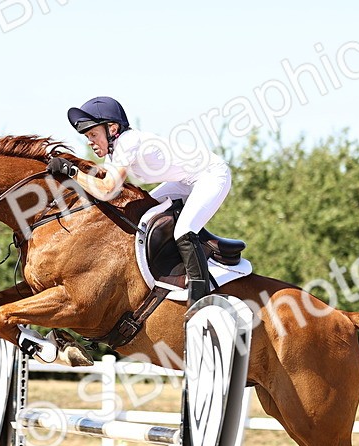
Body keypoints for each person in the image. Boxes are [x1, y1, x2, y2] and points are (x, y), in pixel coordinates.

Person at [47, 96, 231, 296]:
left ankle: (200, 297)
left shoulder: (128, 142)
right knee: (145, 215)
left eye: (93, 134)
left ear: (113, 129)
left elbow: (107, 189)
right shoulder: (115, 150)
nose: (90, 141)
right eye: (88, 137)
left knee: (184, 231)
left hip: (211, 175)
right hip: (184, 181)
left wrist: (72, 172)